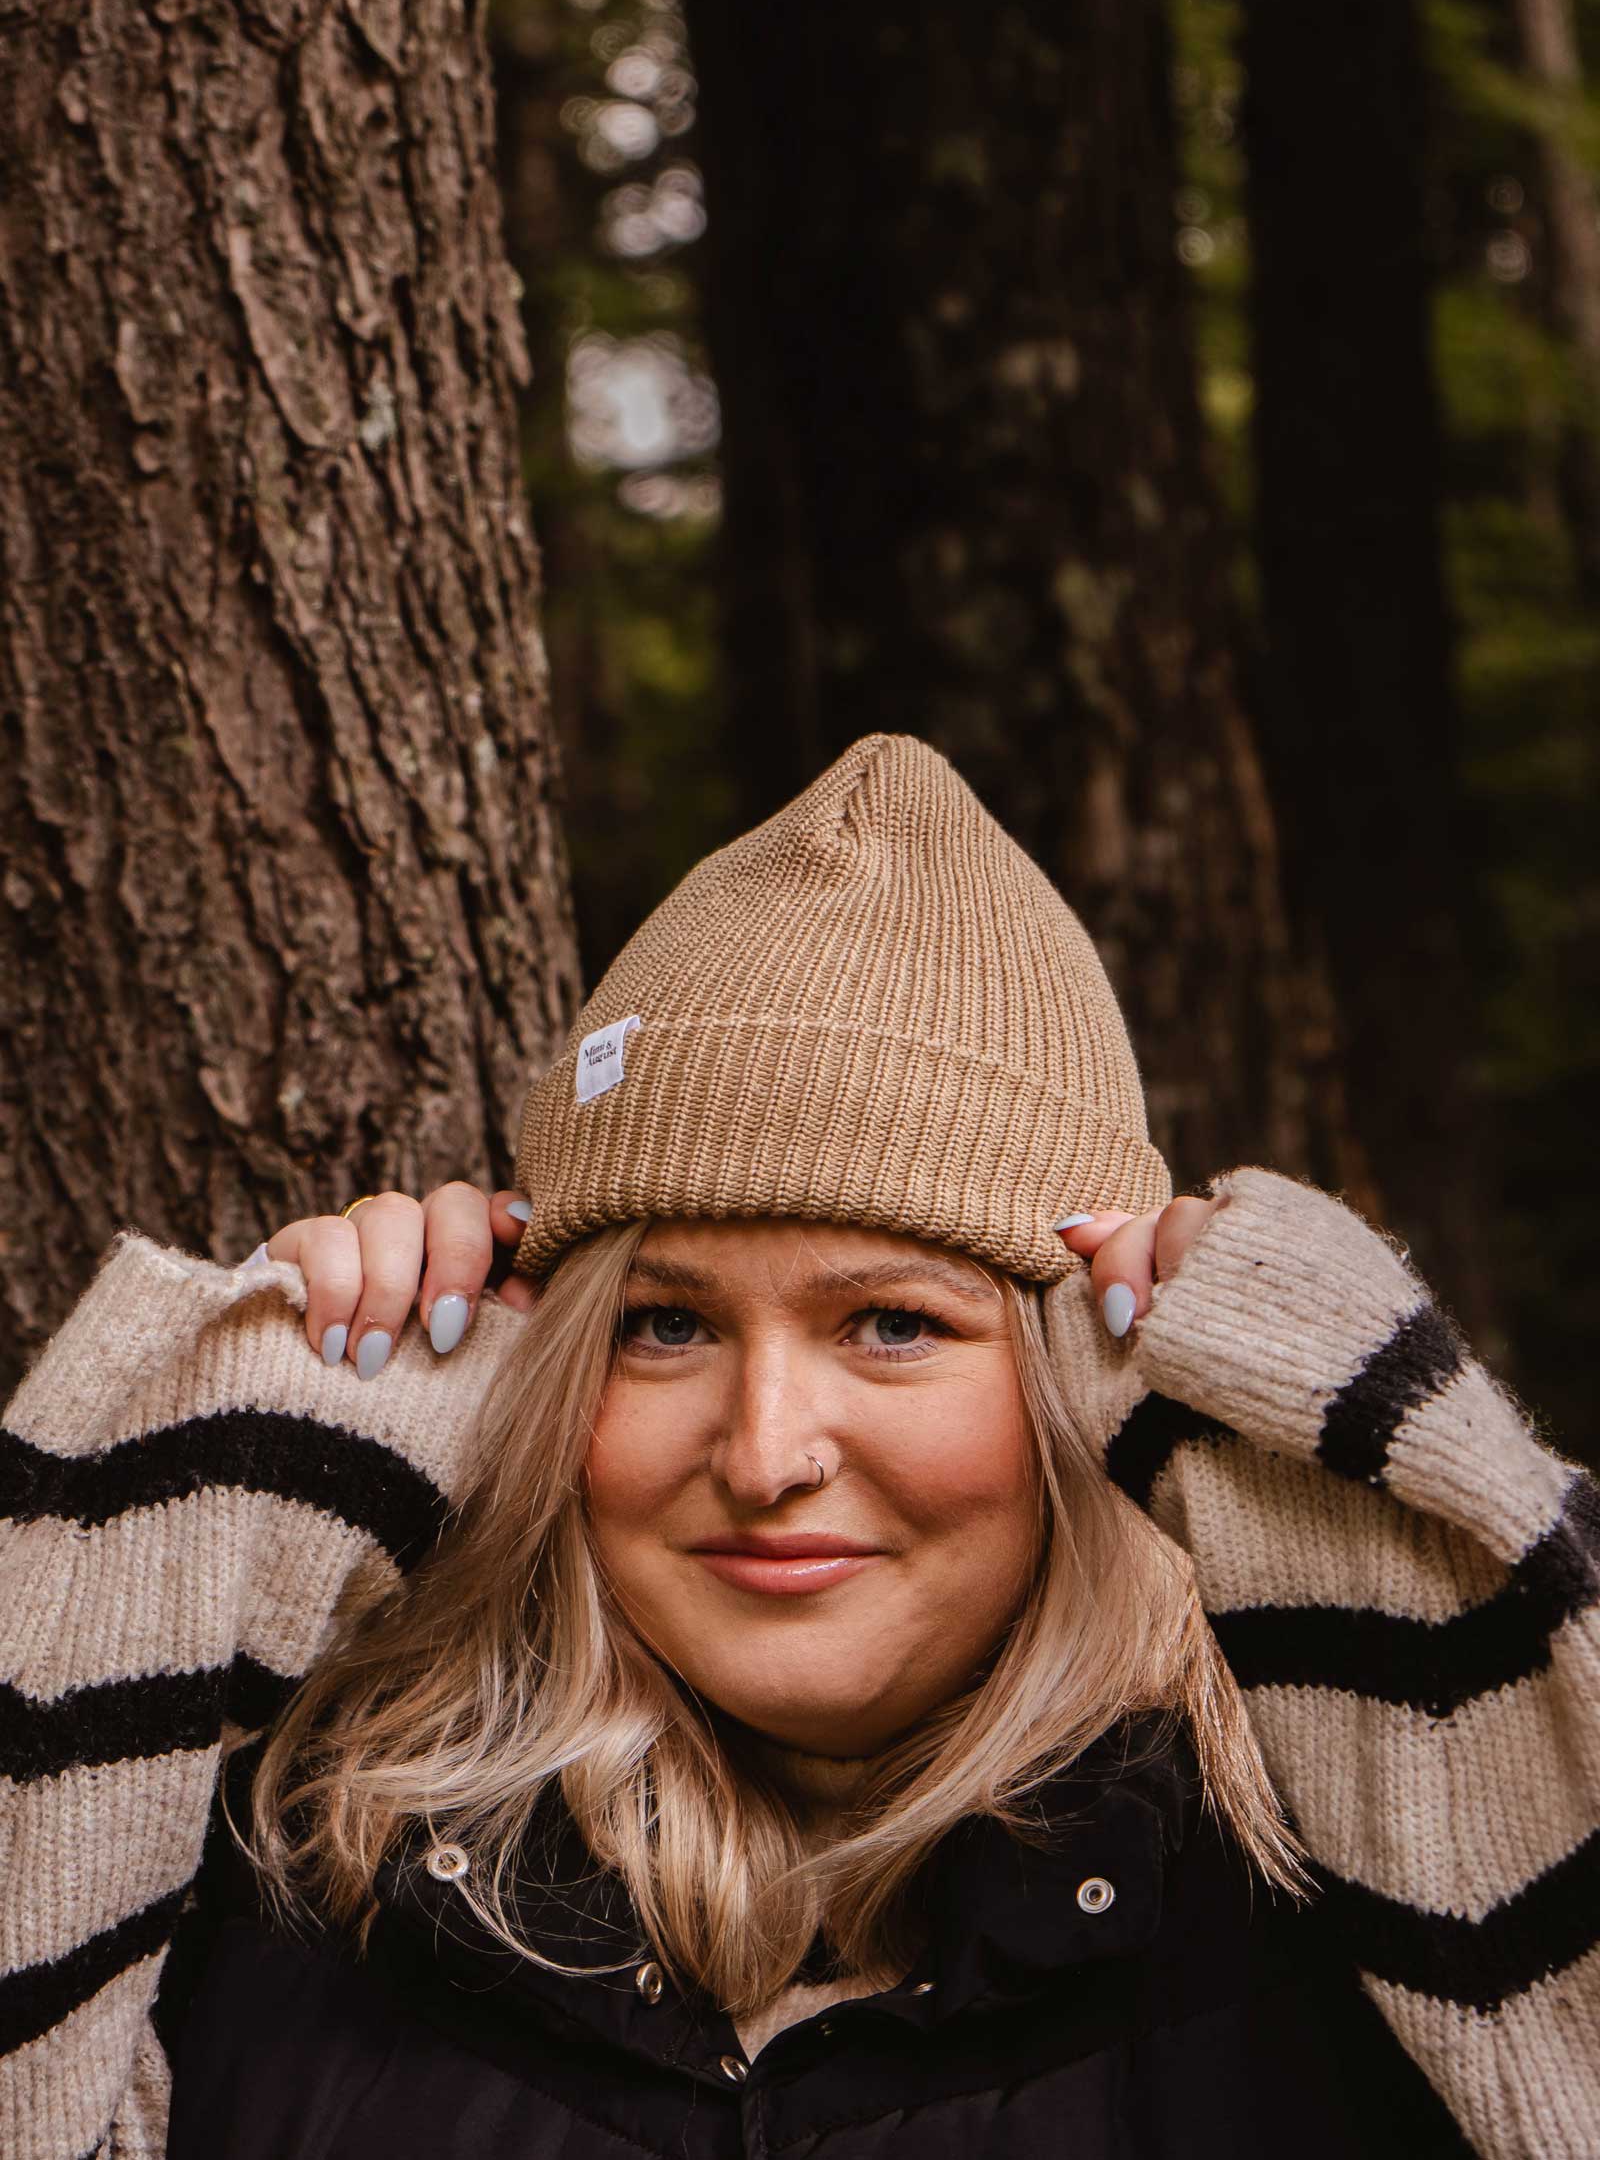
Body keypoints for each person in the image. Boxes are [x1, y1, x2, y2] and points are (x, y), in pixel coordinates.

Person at [1, 735, 1595, 2159]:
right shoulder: (297, 1889)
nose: (766, 1454)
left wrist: (1385, 1508)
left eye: (893, 1323)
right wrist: (218, 1477)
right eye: (664, 1323)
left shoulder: (1357, 1930)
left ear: (1095, 1372)